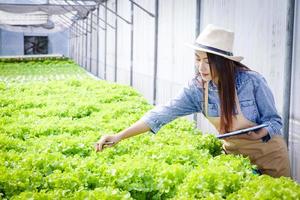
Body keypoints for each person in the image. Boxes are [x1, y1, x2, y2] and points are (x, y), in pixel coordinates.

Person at [95, 24, 290, 178]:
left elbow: (275, 121)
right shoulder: (197, 89)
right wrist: (119, 136)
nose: (201, 67)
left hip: (269, 155)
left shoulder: (252, 81)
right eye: (197, 59)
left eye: (208, 61)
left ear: (223, 61)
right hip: (235, 158)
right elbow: (162, 114)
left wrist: (262, 132)